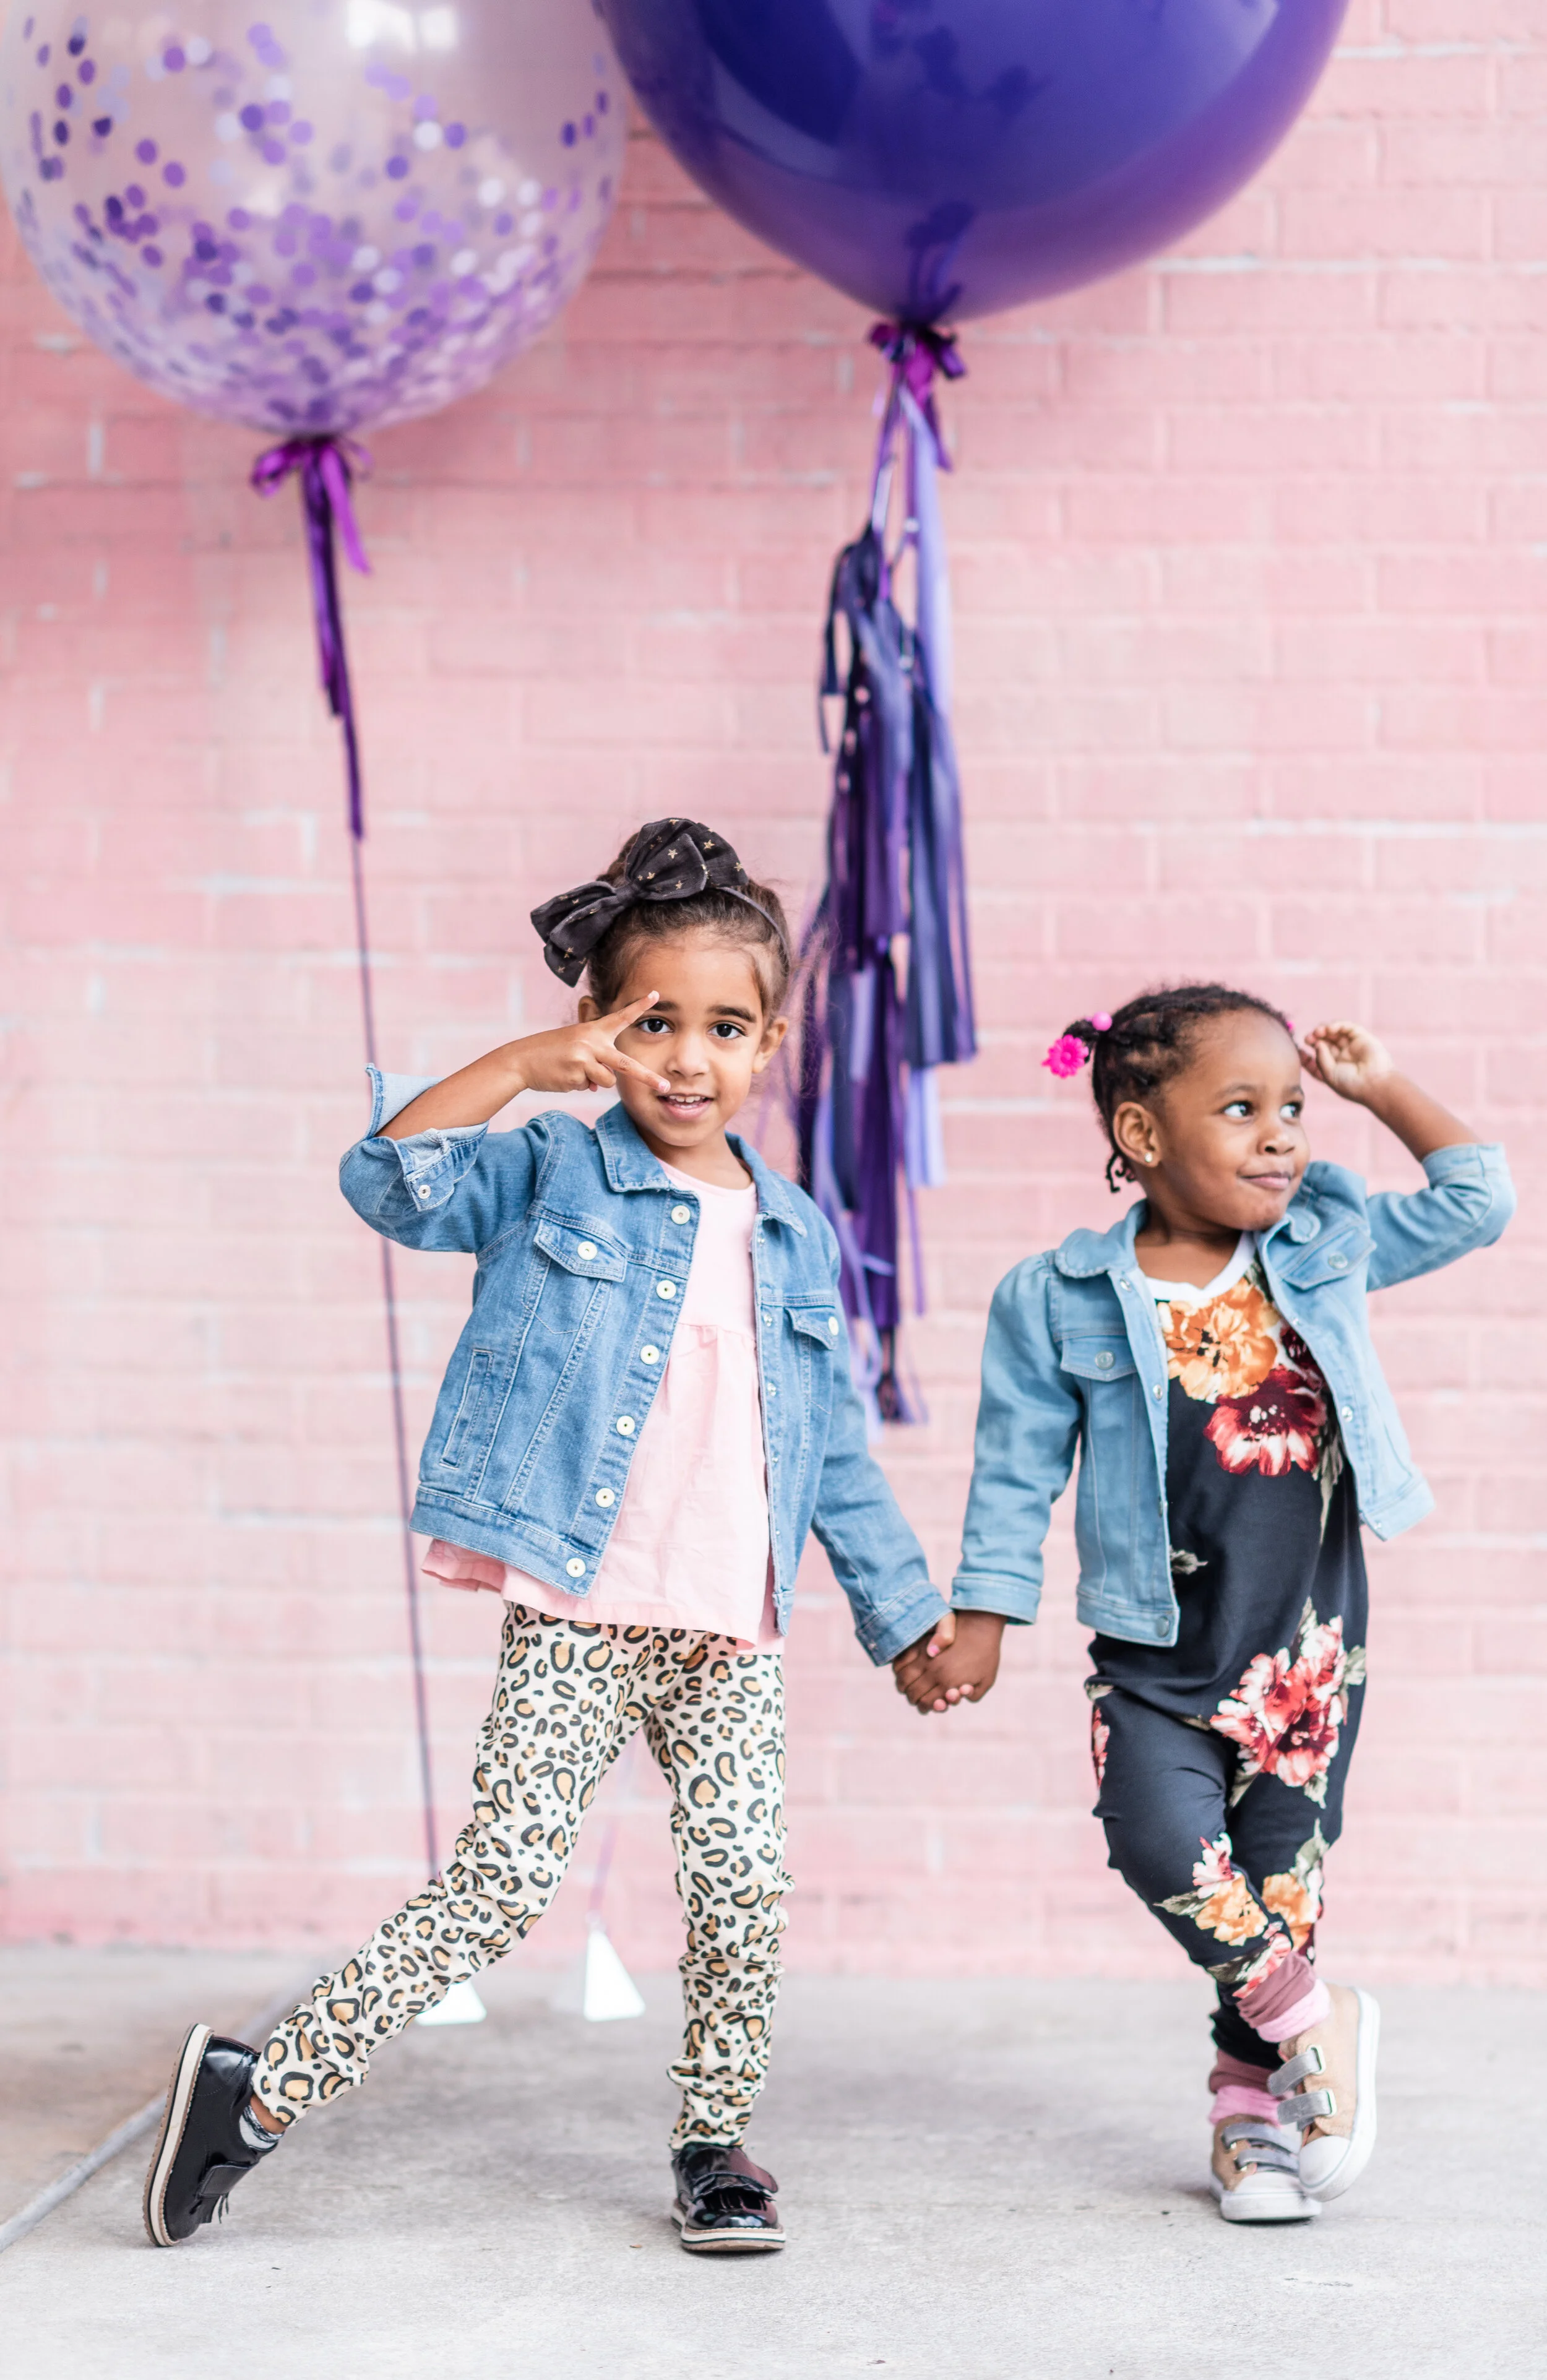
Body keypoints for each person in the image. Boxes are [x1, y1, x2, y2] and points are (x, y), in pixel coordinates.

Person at [144, 817, 947, 2256]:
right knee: (500, 1885)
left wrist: (903, 1618)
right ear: (598, 1025)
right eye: (653, 1024)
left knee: (744, 1891)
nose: (688, 1059)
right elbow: (386, 1181)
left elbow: (828, 1453)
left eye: (724, 1027)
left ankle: (715, 2144)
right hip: (581, 1608)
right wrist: (517, 1071)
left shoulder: (795, 1234)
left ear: (768, 1042)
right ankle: (253, 2094)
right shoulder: (552, 1175)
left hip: (726, 1632)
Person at [894, 985, 1512, 2223]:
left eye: (1289, 1108)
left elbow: (1476, 1201)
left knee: (1279, 1886)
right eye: (1241, 1109)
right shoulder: (1053, 1296)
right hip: (1154, 1652)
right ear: (1137, 1134)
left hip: (1302, 1657)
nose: (1282, 1134)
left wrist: (1376, 1085)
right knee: (1153, 1841)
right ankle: (1315, 2021)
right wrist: (982, 1616)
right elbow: (1013, 1473)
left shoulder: (1318, 1244)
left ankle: (1249, 2122)